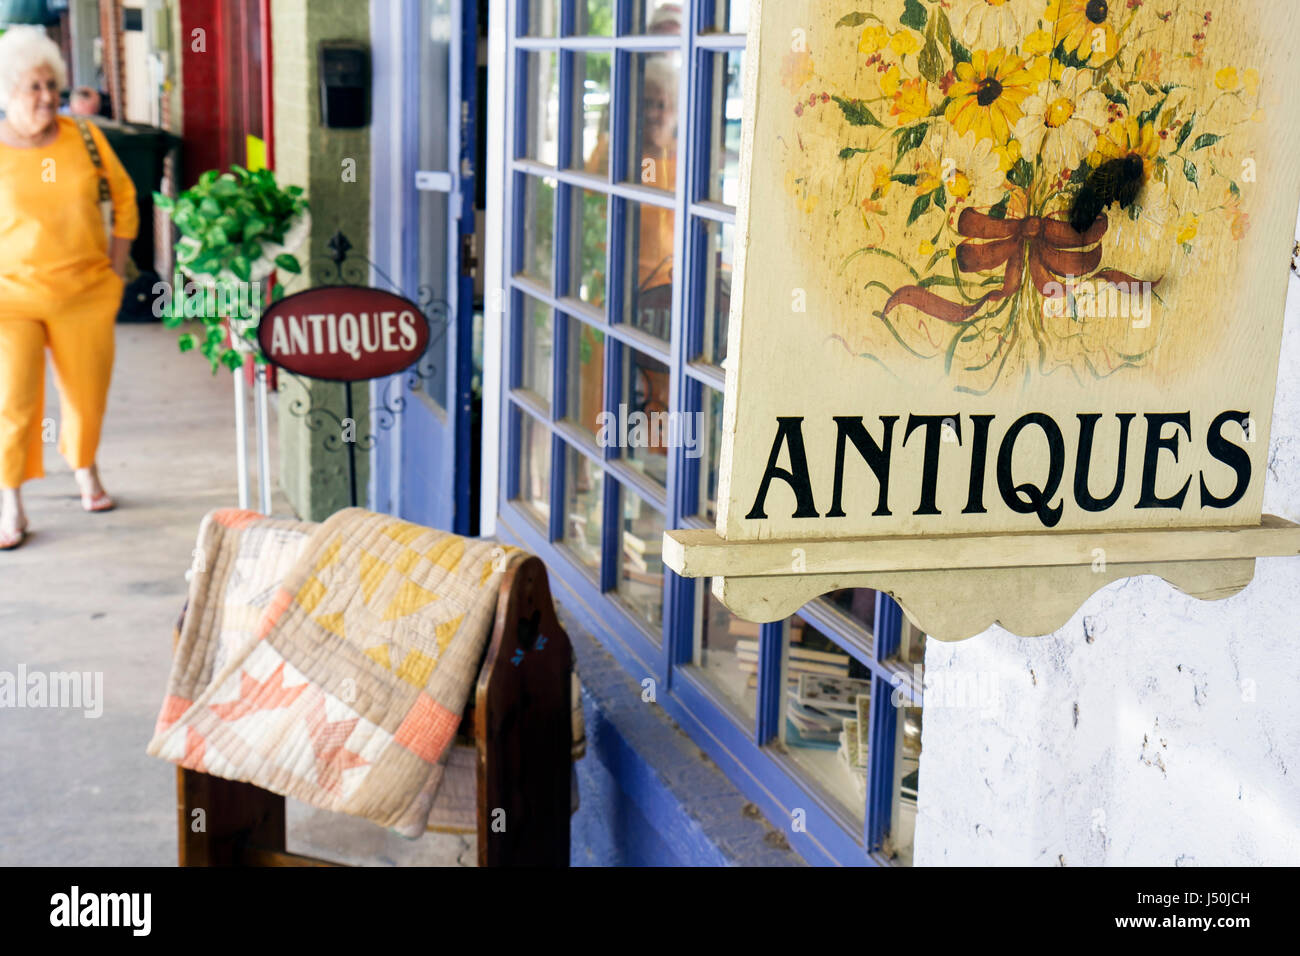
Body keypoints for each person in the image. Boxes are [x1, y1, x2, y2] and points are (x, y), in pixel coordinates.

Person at [0, 27, 138, 551]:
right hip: (9, 298)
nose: (45, 97)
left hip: (84, 292)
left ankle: (83, 466)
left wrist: (115, 269)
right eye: (32, 87)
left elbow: (125, 199)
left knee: (85, 395)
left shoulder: (83, 137)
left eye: (51, 86)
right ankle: (10, 498)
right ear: (8, 92)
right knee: (14, 399)